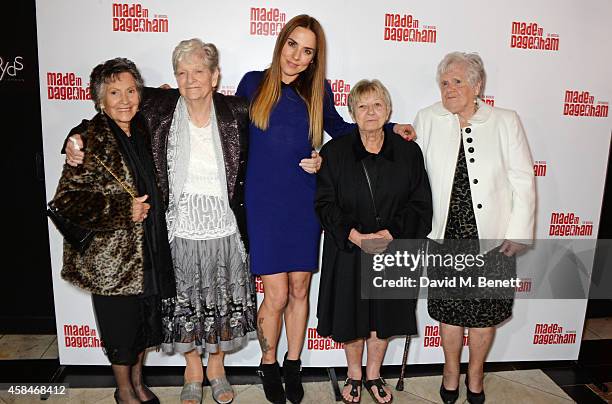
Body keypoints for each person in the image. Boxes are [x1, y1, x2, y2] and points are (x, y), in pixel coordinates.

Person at [64, 39, 256, 404]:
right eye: (181, 72)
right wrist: (75, 139)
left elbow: (273, 147)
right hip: (178, 227)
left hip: (224, 225)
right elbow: (106, 112)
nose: (190, 79)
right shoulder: (159, 106)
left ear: (215, 76)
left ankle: (216, 368)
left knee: (220, 300)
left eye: (199, 71)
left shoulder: (237, 111)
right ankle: (192, 370)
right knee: (184, 304)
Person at [235, 14, 414, 404]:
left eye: (308, 51)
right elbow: (224, 125)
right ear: (281, 42)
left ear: (316, 58)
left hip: (302, 200)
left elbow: (342, 129)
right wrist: (170, 95)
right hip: (264, 204)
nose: (297, 57)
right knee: (276, 294)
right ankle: (267, 362)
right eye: (292, 45)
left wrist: (391, 125)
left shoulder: (318, 92)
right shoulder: (253, 83)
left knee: (300, 288)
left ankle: (293, 365)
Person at [50, 57, 176, 404]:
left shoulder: (143, 127)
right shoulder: (89, 140)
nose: (124, 100)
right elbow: (67, 201)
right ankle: (124, 392)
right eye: (114, 93)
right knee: (121, 332)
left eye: (131, 90)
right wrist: (122, 210)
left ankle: (137, 383)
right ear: (100, 100)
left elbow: (172, 94)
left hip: (147, 249)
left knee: (142, 328)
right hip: (112, 260)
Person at [413, 52, 535, 404]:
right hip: (444, 235)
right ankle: (450, 372)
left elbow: (523, 181)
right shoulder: (427, 118)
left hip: (494, 240)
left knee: (485, 314)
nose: (448, 88)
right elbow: (408, 171)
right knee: (450, 314)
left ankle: (476, 375)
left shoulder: (505, 121)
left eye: (457, 81)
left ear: (477, 85)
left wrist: (518, 232)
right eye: (444, 82)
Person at [315, 79, 432, 404]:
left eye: (377, 105)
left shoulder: (408, 152)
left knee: (384, 317)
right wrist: (354, 235)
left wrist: (390, 234)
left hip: (392, 248)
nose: (370, 112)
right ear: (352, 112)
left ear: (388, 110)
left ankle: (373, 375)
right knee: (351, 319)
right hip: (349, 249)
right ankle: (353, 374)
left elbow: (421, 204)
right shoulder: (334, 151)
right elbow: (324, 204)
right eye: (362, 106)